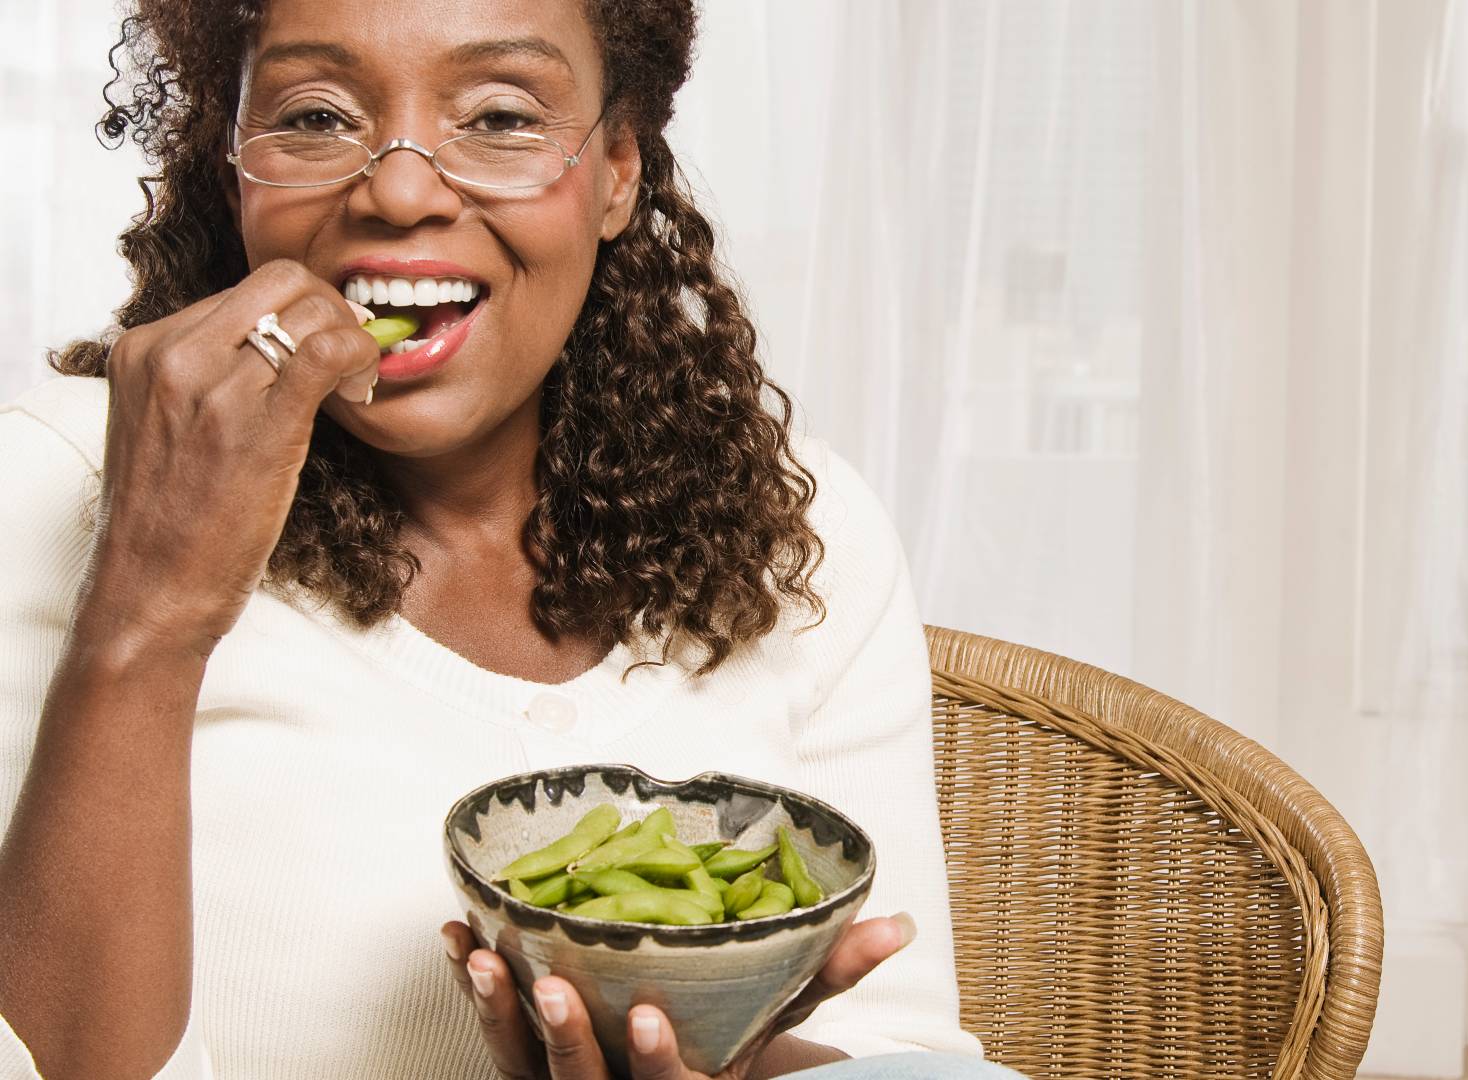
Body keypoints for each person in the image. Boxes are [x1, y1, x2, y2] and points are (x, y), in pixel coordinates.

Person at [0, 1, 1025, 1078]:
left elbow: (902, 1052)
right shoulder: (47, 487)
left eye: (498, 116)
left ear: (617, 171)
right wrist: (149, 605)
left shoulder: (804, 538)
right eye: (313, 115)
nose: (397, 191)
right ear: (230, 170)